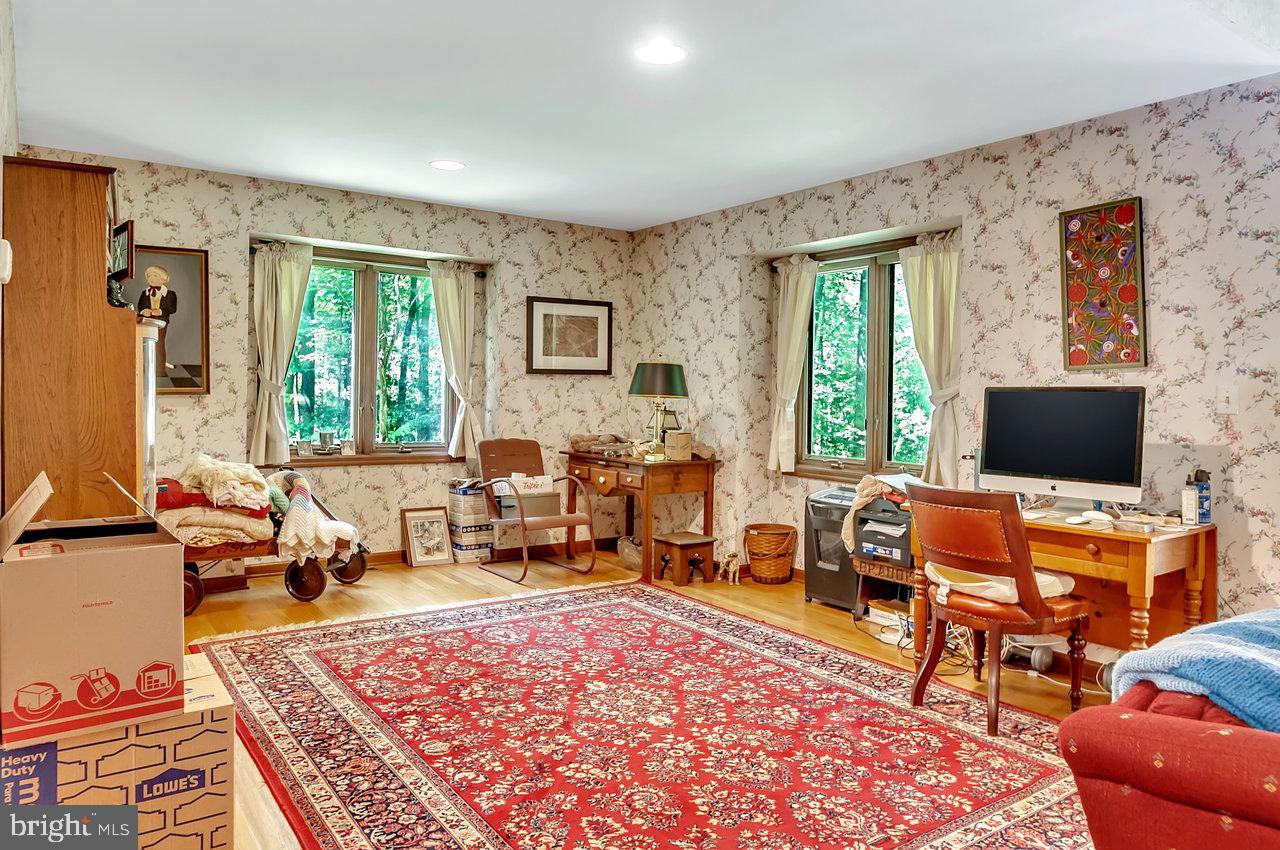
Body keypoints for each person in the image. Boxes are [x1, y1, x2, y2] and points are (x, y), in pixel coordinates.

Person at [136, 265, 178, 375]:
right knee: (145, 343)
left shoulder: (170, 294)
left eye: (155, 275)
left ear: (163, 279)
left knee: (159, 343)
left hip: (161, 322)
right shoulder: (144, 293)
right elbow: (140, 306)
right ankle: (145, 368)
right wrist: (144, 310)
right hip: (147, 322)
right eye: (149, 276)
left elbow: (172, 308)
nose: (151, 278)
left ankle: (160, 370)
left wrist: (161, 311)